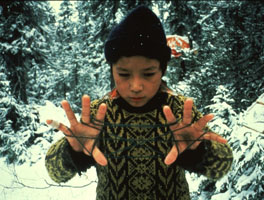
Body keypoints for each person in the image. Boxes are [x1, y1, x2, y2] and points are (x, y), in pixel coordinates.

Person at [45, 5, 233, 200]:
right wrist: (73, 152)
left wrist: (199, 152)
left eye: (148, 73)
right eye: (124, 74)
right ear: (112, 70)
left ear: (163, 70)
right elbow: (55, 172)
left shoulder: (179, 112)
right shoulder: (98, 114)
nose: (135, 86)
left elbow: (223, 165)